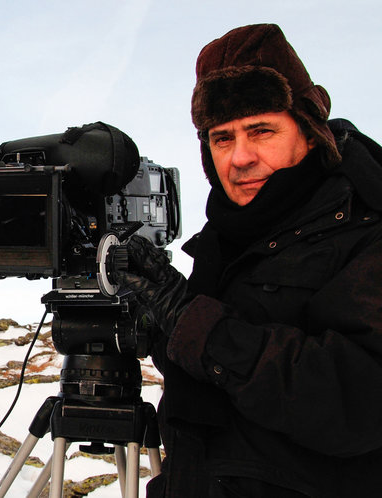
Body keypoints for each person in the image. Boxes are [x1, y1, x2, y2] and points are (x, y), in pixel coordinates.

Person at [114, 24, 382, 497]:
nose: (240, 158)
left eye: (261, 131)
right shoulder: (226, 238)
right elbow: (220, 379)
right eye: (222, 138)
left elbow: (360, 403)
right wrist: (160, 321)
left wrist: (195, 323)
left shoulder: (366, 225)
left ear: (309, 131)